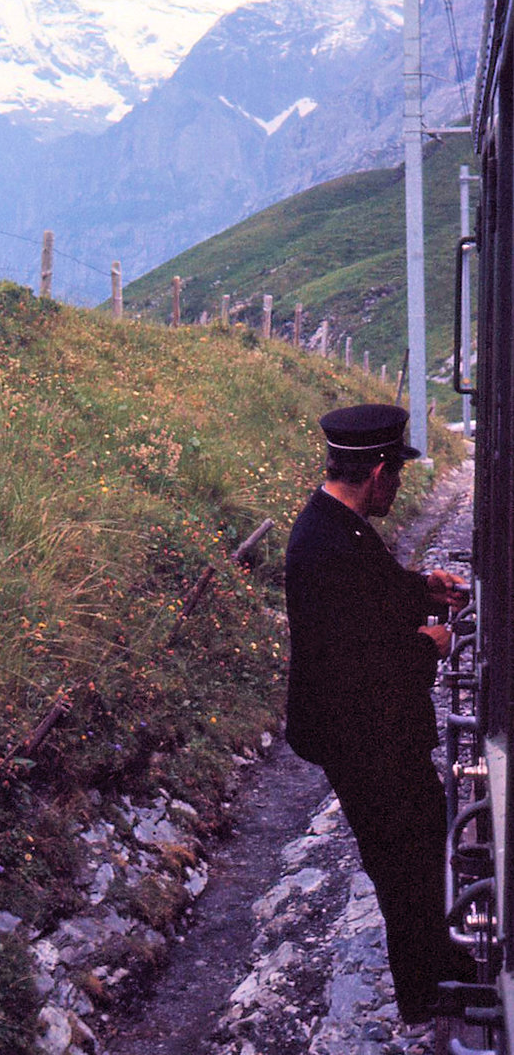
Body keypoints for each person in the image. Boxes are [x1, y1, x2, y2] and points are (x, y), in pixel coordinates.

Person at [284, 403, 472, 1025]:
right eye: (397, 475)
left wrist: (423, 588)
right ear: (378, 472)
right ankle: (426, 994)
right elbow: (355, 665)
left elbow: (370, 597)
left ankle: (439, 967)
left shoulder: (337, 528)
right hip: (362, 738)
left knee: (418, 847)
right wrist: (429, 645)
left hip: (365, 734)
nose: (398, 487)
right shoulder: (331, 544)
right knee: (404, 863)